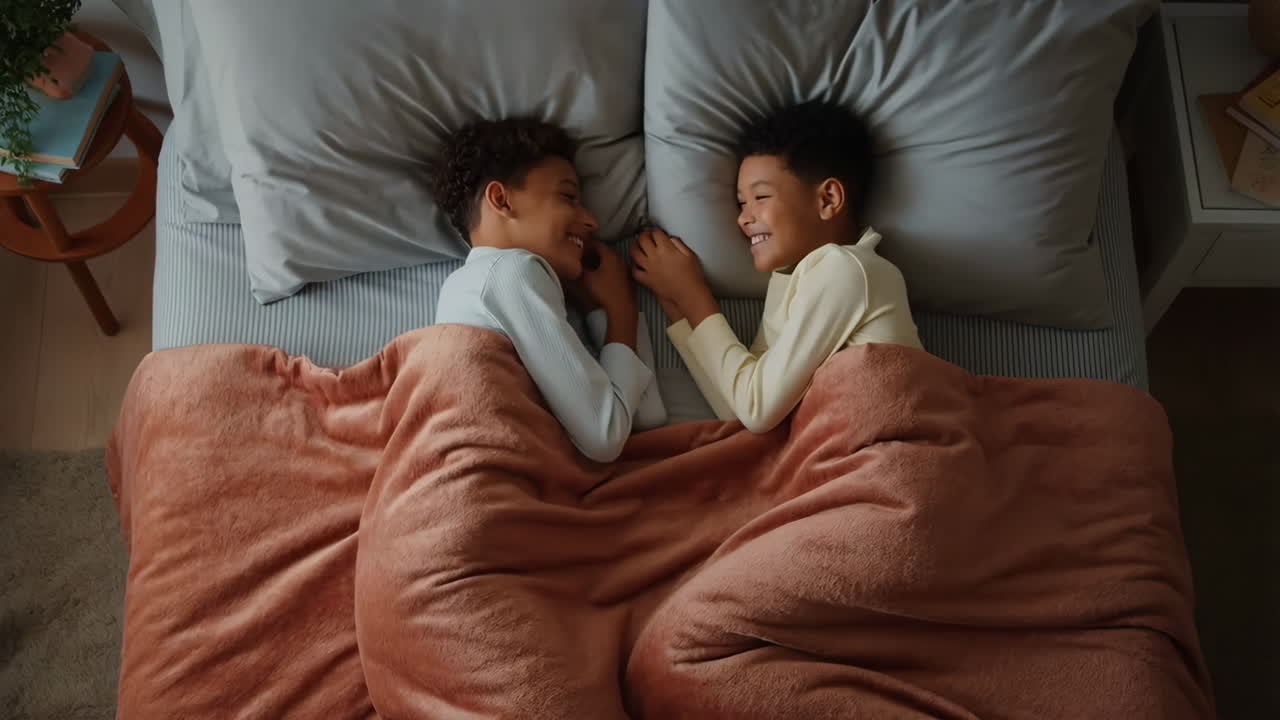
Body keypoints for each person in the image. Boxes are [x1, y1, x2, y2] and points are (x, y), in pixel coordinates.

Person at [631, 100, 923, 433]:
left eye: (761, 198)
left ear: (828, 200)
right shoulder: (789, 281)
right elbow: (739, 410)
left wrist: (693, 295)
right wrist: (676, 306)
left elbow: (757, 410)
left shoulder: (848, 268)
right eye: (741, 202)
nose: (743, 218)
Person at [433, 117, 665, 462]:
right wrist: (622, 308)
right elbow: (605, 435)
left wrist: (597, 309)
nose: (592, 221)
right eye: (568, 197)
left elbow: (646, 415)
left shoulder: (471, 287)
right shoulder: (511, 272)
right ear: (501, 199)